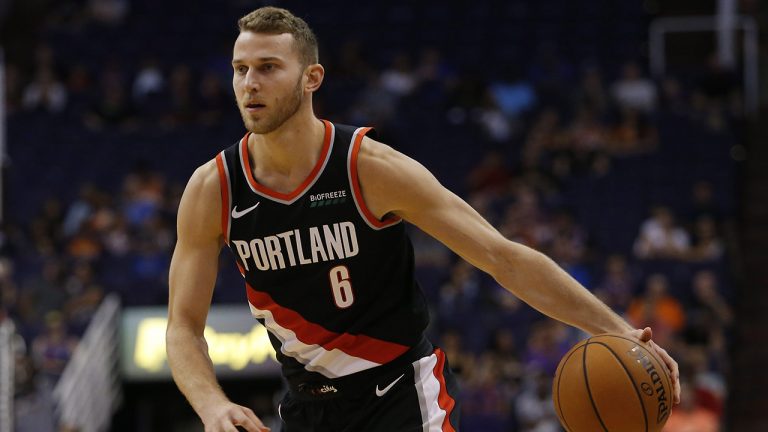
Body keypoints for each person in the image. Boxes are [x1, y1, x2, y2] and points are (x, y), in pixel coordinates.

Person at [165, 7, 681, 432]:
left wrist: (619, 331)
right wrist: (212, 405)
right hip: (306, 406)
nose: (250, 83)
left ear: (311, 78)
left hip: (403, 397)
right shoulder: (213, 190)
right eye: (240, 69)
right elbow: (183, 326)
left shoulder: (368, 168)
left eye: (269, 67)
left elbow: (503, 257)